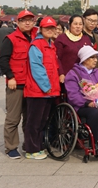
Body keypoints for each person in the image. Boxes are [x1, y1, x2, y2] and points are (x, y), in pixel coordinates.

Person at [0, 9, 38, 159]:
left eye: (30, 20)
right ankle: (11, 147)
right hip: (16, 84)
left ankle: (29, 144)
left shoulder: (37, 36)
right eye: (23, 20)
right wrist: (10, 77)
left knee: (30, 118)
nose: (27, 23)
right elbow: (3, 59)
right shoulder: (11, 39)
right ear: (18, 22)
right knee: (13, 118)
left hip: (32, 84)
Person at [23, 17, 60, 160]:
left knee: (42, 121)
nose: (50, 31)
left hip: (49, 91)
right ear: (41, 29)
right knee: (34, 122)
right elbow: (37, 68)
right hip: (38, 91)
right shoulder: (36, 45)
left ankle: (38, 146)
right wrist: (46, 86)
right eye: (47, 28)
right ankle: (31, 149)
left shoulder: (51, 44)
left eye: (52, 28)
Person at [55, 15, 95, 83]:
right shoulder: (61, 38)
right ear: (70, 25)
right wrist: (61, 73)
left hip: (83, 77)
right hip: (67, 76)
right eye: (75, 24)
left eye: (80, 24)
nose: (78, 26)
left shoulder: (86, 39)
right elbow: (57, 58)